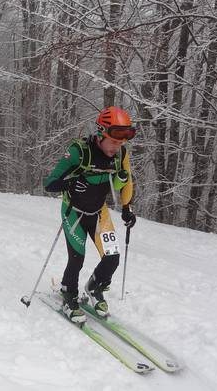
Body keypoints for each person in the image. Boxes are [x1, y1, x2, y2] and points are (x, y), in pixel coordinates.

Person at [43, 106, 137, 323]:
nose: (117, 147)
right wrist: (75, 182)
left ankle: (95, 288)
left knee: (112, 257)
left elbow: (125, 181)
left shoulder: (121, 153)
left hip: (99, 211)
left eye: (122, 143)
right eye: (114, 142)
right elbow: (50, 183)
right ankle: (69, 294)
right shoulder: (79, 151)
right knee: (77, 258)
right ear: (101, 133)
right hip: (73, 212)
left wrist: (126, 208)